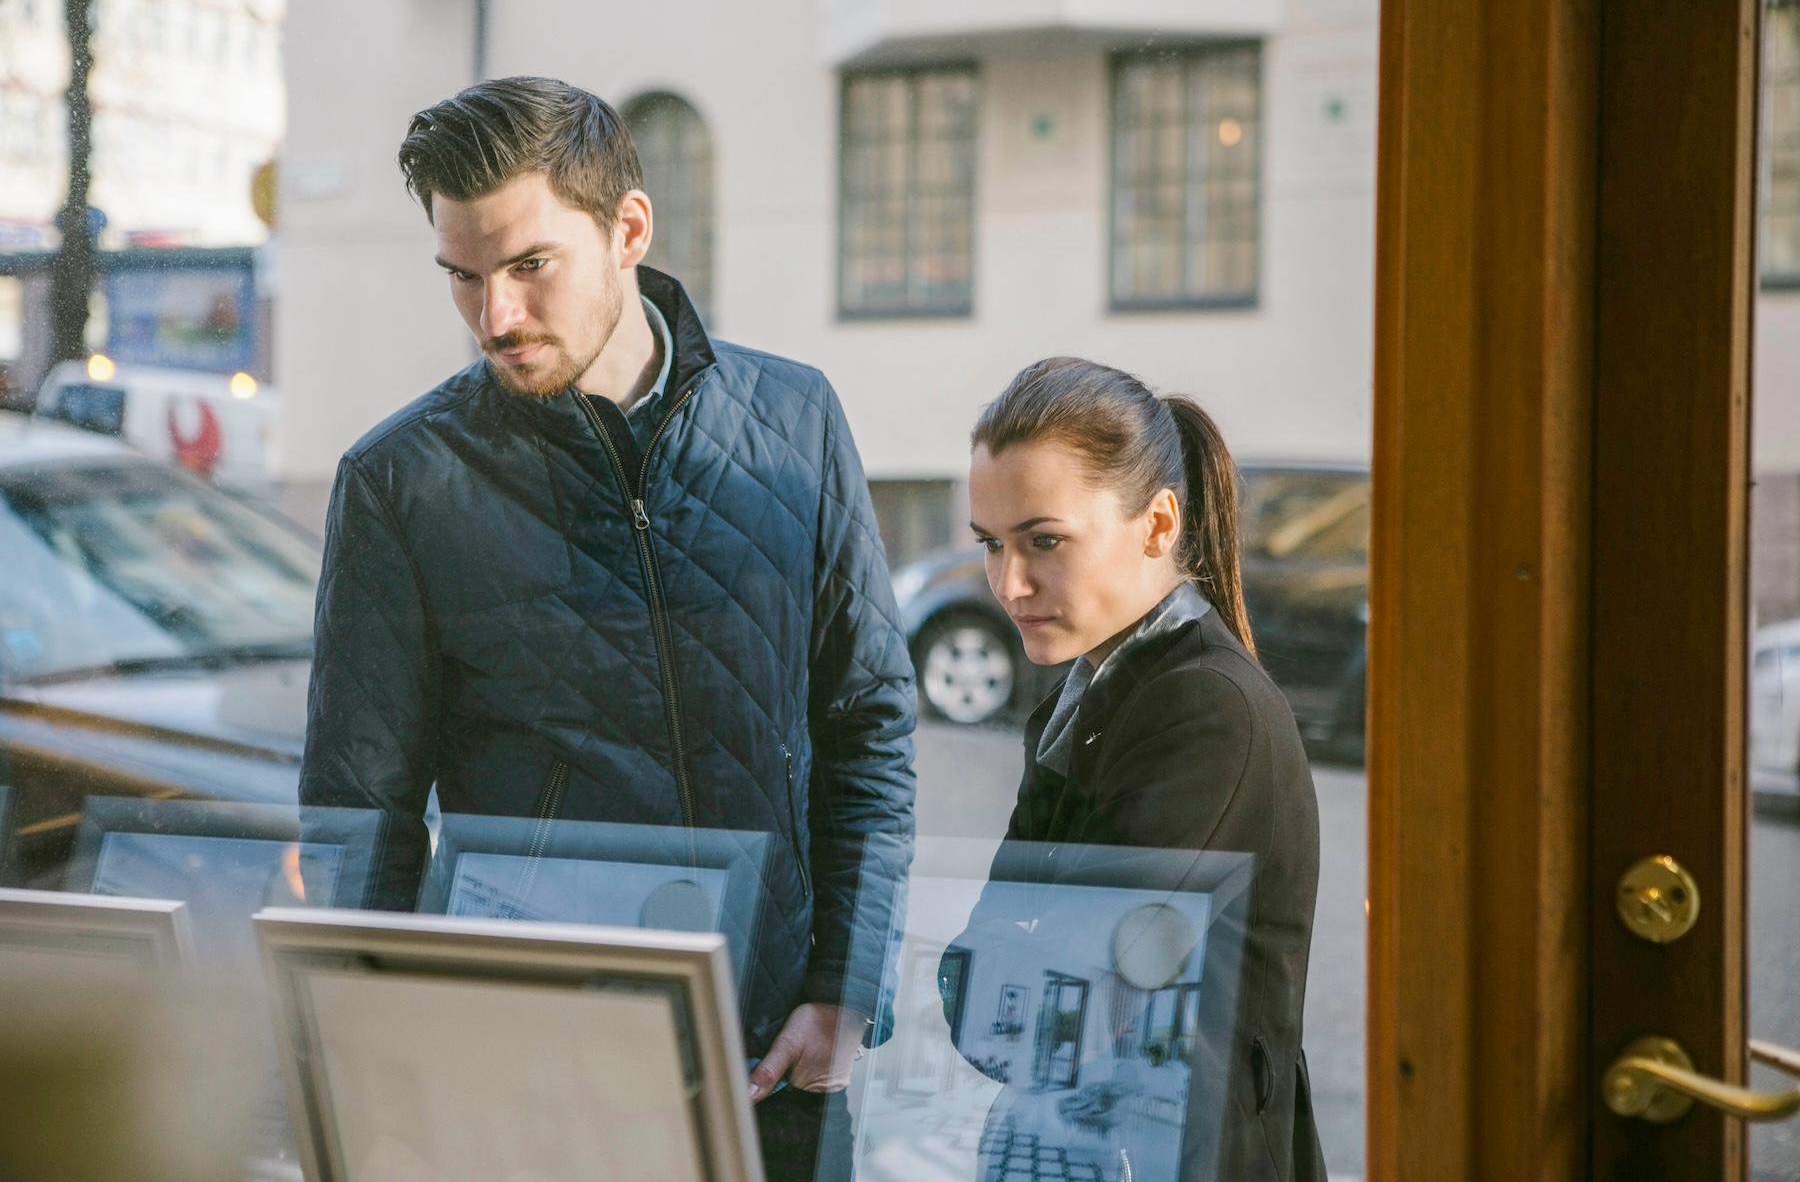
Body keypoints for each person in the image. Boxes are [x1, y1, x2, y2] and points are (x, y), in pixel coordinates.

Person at [298, 76, 917, 1178]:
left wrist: (845, 992)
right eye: (463, 277)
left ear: (629, 229)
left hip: (775, 1056)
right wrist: (382, 1075)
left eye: (529, 266)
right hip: (537, 1080)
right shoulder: (402, 485)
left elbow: (869, 721)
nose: (496, 316)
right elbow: (360, 817)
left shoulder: (796, 422)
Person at [960, 356, 1325, 1181]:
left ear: (1159, 526)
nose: (1009, 584)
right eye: (991, 545)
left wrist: (1003, 979)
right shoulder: (1090, 696)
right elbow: (982, 998)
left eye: (1044, 541)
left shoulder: (1204, 709)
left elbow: (1037, 1020)